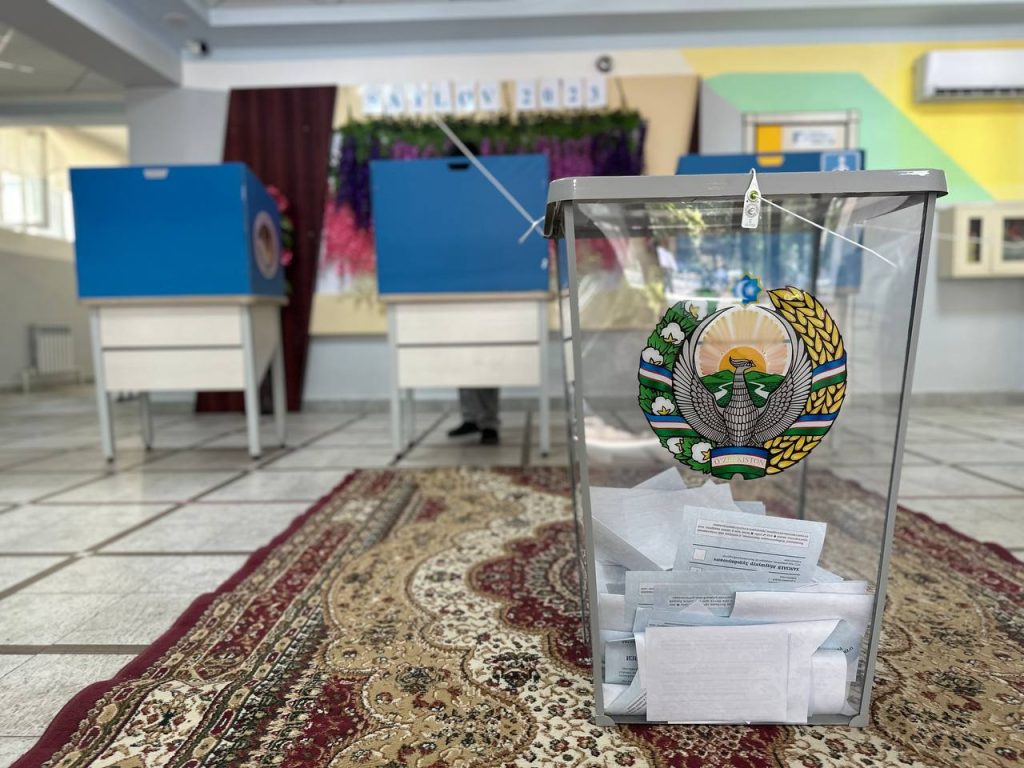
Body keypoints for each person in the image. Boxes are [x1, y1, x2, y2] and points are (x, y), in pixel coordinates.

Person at [440, 140, 501, 446]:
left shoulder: (485, 197)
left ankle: (488, 421)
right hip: (457, 286)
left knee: (484, 355)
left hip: (484, 286)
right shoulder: (449, 199)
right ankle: (471, 418)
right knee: (460, 354)